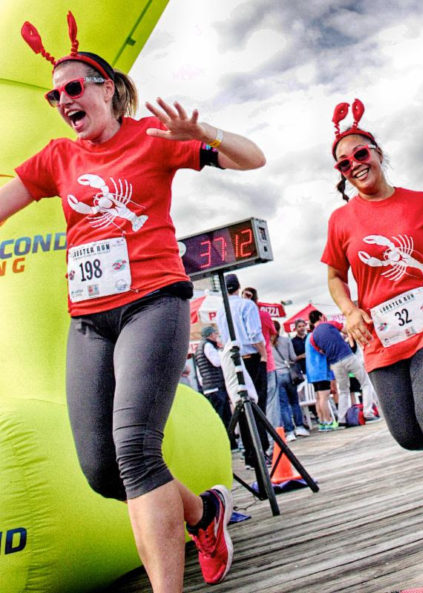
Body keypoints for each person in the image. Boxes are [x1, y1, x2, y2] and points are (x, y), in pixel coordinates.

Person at [7, 14, 266, 592]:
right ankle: (204, 513)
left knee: (135, 447)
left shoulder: (153, 136)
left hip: (153, 302)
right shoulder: (57, 157)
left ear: (107, 89)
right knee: (102, 470)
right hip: (90, 321)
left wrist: (204, 132)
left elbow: (254, 159)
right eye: (54, 95)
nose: (64, 100)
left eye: (74, 87)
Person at [322, 98, 423, 555]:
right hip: (381, 337)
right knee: (410, 435)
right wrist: (350, 310)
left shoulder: (420, 203)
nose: (355, 164)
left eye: (361, 154)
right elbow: (334, 276)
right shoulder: (341, 220)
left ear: (377, 153)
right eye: (344, 163)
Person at [215, 273, 269, 468]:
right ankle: (261, 450)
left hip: (233, 358)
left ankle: (249, 453)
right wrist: (263, 354)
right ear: (238, 287)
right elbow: (254, 334)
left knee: (242, 405)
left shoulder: (221, 310)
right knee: (257, 404)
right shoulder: (247, 305)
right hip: (250, 357)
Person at [310, 319, 379, 426]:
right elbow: (347, 330)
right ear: (320, 317)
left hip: (335, 363)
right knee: (365, 383)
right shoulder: (330, 323)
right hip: (348, 356)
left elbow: (321, 351)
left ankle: (342, 419)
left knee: (343, 390)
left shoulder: (312, 338)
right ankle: (368, 413)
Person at [242, 286, 281, 431]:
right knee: (271, 400)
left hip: (248, 362)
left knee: (254, 399)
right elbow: (273, 333)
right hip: (267, 360)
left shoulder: (241, 315)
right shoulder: (264, 315)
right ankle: (273, 432)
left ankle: (258, 433)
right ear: (257, 299)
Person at [271, 320, 310, 441]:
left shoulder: (267, 343)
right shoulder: (286, 340)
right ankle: (300, 427)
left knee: (283, 405)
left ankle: (289, 431)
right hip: (289, 374)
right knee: (294, 402)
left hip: (277, 375)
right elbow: (293, 357)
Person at [194, 326, 232, 431]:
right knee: (224, 417)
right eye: (215, 334)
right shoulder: (208, 346)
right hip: (216, 387)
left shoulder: (199, 348)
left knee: (216, 415)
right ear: (211, 335)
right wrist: (222, 353)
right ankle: (228, 438)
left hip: (208, 387)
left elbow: (199, 372)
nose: (217, 336)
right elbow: (217, 362)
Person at [306, 310, 337, 431]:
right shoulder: (317, 334)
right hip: (321, 370)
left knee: (318, 398)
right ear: (320, 317)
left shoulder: (308, 336)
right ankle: (328, 421)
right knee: (324, 397)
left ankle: (322, 422)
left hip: (312, 372)